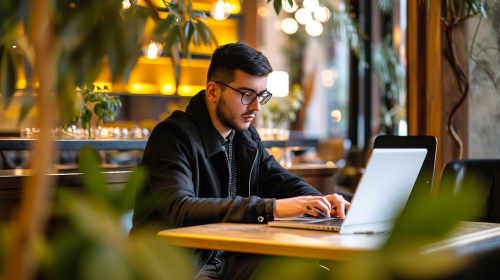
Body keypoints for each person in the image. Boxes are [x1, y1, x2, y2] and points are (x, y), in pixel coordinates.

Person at [130, 42, 350, 280]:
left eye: (261, 96)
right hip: (180, 266)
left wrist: (322, 201)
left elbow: (281, 180)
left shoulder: (244, 136)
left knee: (308, 272)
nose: (256, 107)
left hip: (232, 258)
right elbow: (179, 209)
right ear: (213, 91)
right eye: (247, 95)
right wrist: (271, 208)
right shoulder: (173, 136)